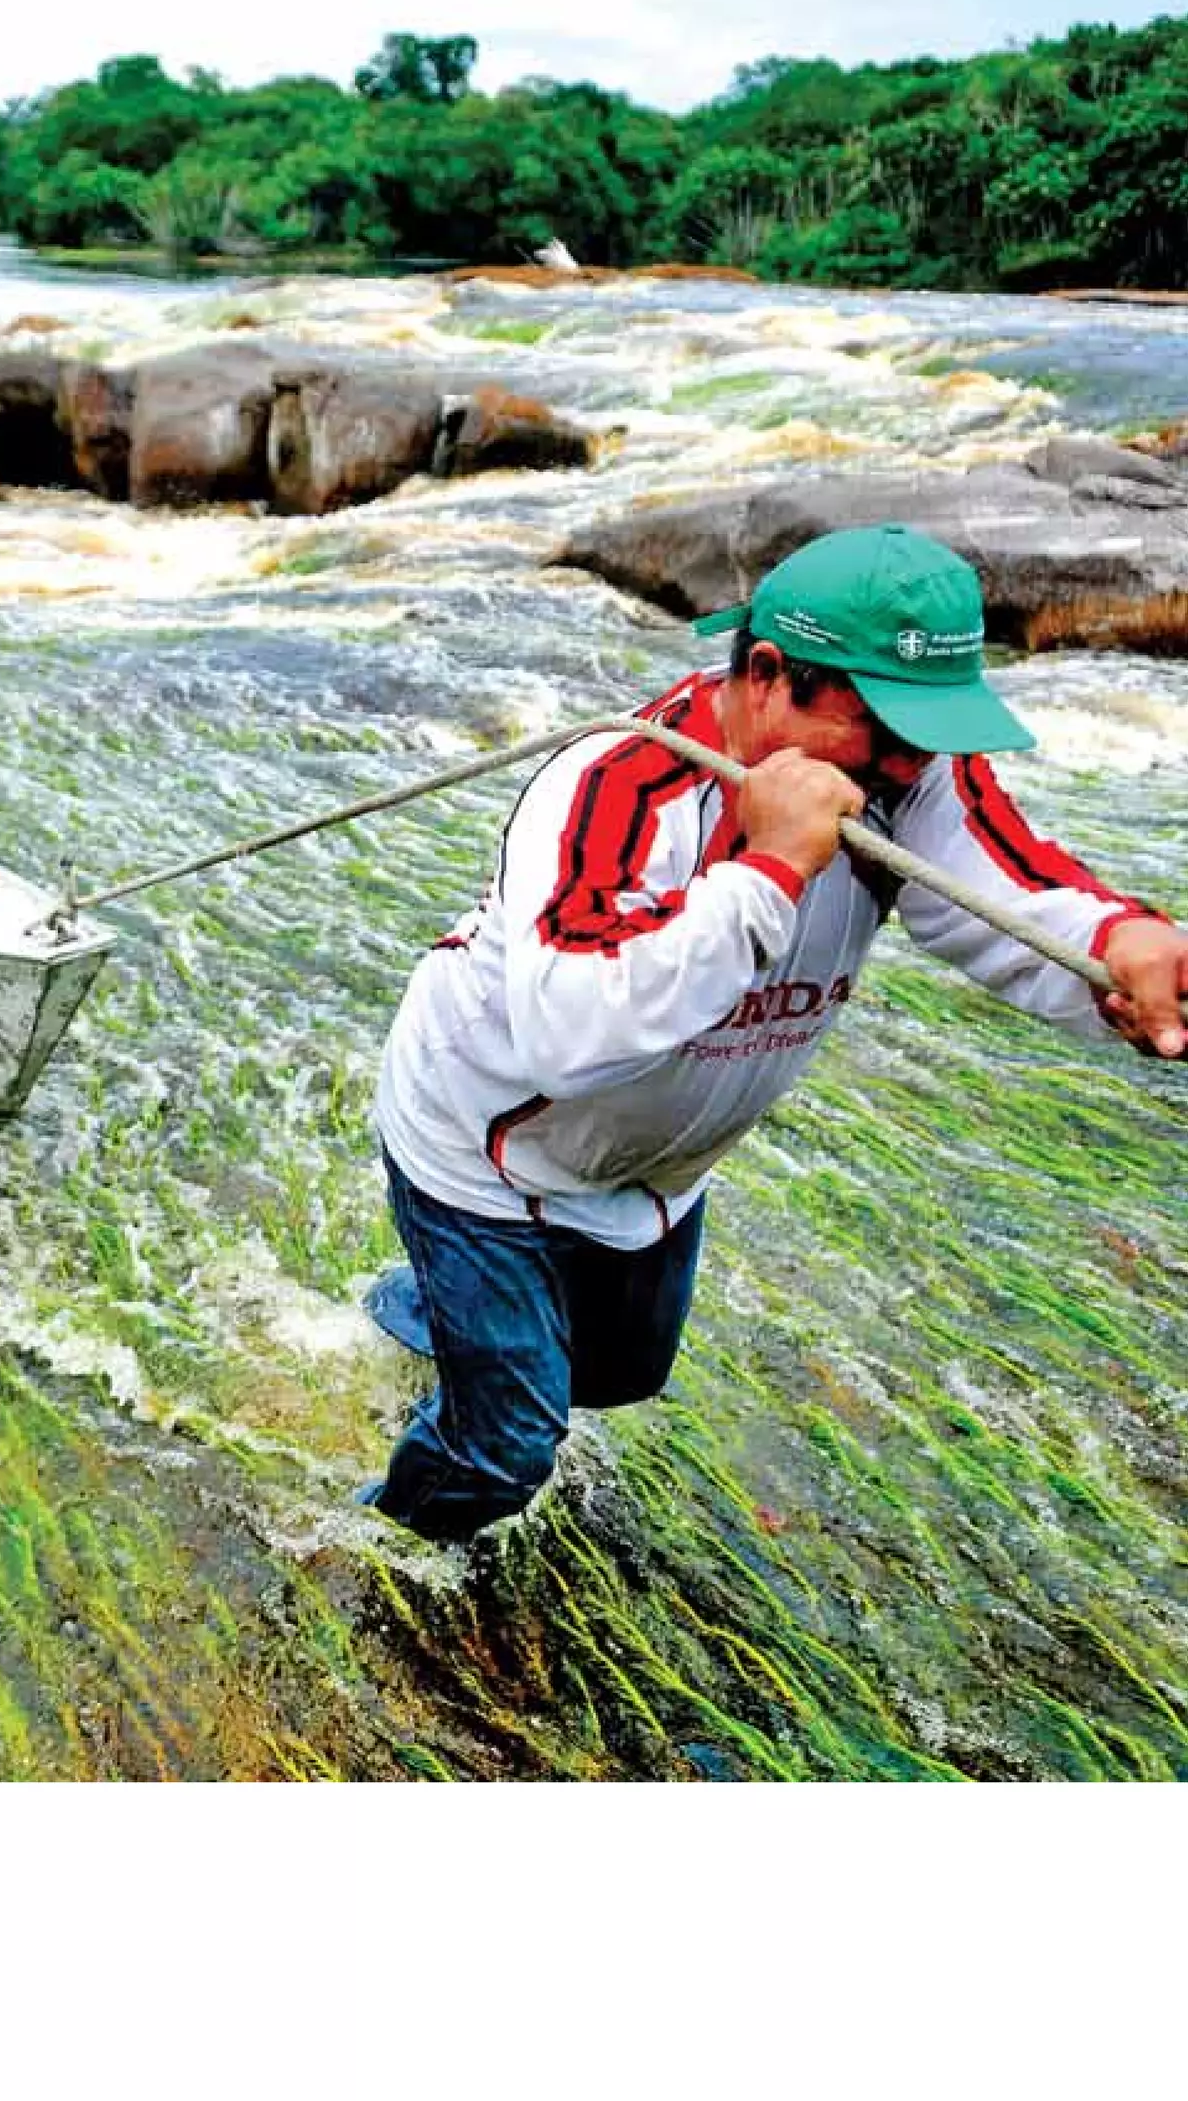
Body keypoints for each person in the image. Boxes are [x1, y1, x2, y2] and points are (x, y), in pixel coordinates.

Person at [361, 523, 1188, 1545]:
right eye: (879, 726)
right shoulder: (611, 784)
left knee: (619, 1373)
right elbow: (568, 1030)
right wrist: (765, 872)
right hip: (484, 1139)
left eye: (925, 733)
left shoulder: (907, 776)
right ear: (765, 675)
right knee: (509, 1445)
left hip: (646, 1166)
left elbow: (1010, 889)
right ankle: (369, 1554)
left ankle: (426, 1311)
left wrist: (1127, 943)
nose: (901, 764)